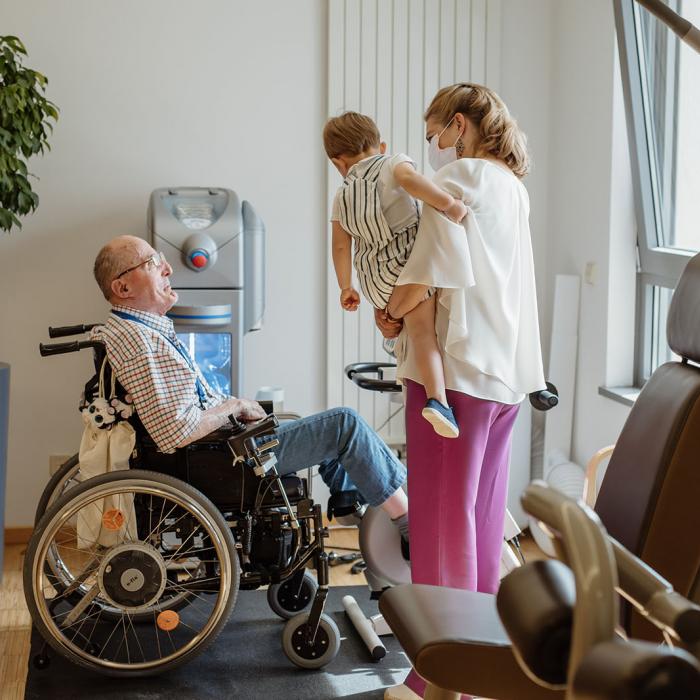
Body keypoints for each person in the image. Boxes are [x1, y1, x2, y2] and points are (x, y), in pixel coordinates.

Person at [376, 83, 546, 700]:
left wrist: (391, 313)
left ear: (457, 125)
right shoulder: (513, 187)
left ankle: (436, 679)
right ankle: (481, 666)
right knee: (478, 524)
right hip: (503, 381)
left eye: (434, 135)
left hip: (456, 376)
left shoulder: (467, 178)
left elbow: (429, 266)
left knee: (444, 527)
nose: (435, 150)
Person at [90, 235, 409, 541]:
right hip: (224, 459)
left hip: (224, 449)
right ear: (123, 287)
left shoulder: (135, 328)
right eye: (152, 262)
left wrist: (237, 407)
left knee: (315, 427)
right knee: (344, 424)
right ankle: (411, 525)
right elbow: (175, 432)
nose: (168, 268)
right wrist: (235, 406)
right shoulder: (138, 339)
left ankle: (347, 499)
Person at [323, 112, 468, 438]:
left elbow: (341, 246)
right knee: (424, 336)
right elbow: (412, 182)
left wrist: (346, 286)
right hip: (406, 267)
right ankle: (438, 399)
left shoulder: (341, 194)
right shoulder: (391, 163)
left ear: (338, 163)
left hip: (373, 280)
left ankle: (393, 337)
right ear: (381, 145)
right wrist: (449, 205)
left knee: (406, 332)